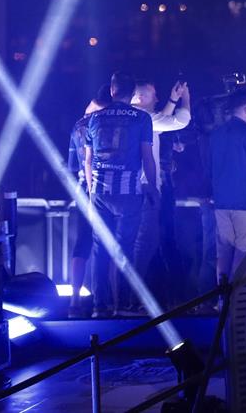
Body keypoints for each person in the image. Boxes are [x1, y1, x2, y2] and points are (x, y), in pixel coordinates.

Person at [84, 73, 157, 318]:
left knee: (99, 248)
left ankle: (100, 305)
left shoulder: (94, 118)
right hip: (128, 192)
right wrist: (152, 186)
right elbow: (147, 157)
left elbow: (88, 160)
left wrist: (90, 190)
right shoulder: (142, 118)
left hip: (100, 191)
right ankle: (123, 305)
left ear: (112, 91)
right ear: (133, 93)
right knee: (124, 248)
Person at [128, 78, 191, 314]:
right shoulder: (144, 118)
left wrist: (172, 99)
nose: (157, 99)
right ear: (141, 97)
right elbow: (180, 121)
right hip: (146, 190)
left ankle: (124, 299)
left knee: (134, 245)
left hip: (127, 190)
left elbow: (161, 122)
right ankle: (134, 298)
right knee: (146, 245)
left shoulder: (130, 118)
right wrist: (185, 98)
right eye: (153, 95)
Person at [210, 89, 246, 283]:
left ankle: (222, 295)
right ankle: (237, 296)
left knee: (223, 253)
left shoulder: (216, 134)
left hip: (221, 203)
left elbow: (210, 166)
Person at [66, 84, 112, 317]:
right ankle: (106, 300)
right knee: (108, 245)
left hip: (83, 191)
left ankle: (74, 299)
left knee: (81, 243)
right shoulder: (110, 122)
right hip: (108, 190)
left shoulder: (79, 125)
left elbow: (72, 166)